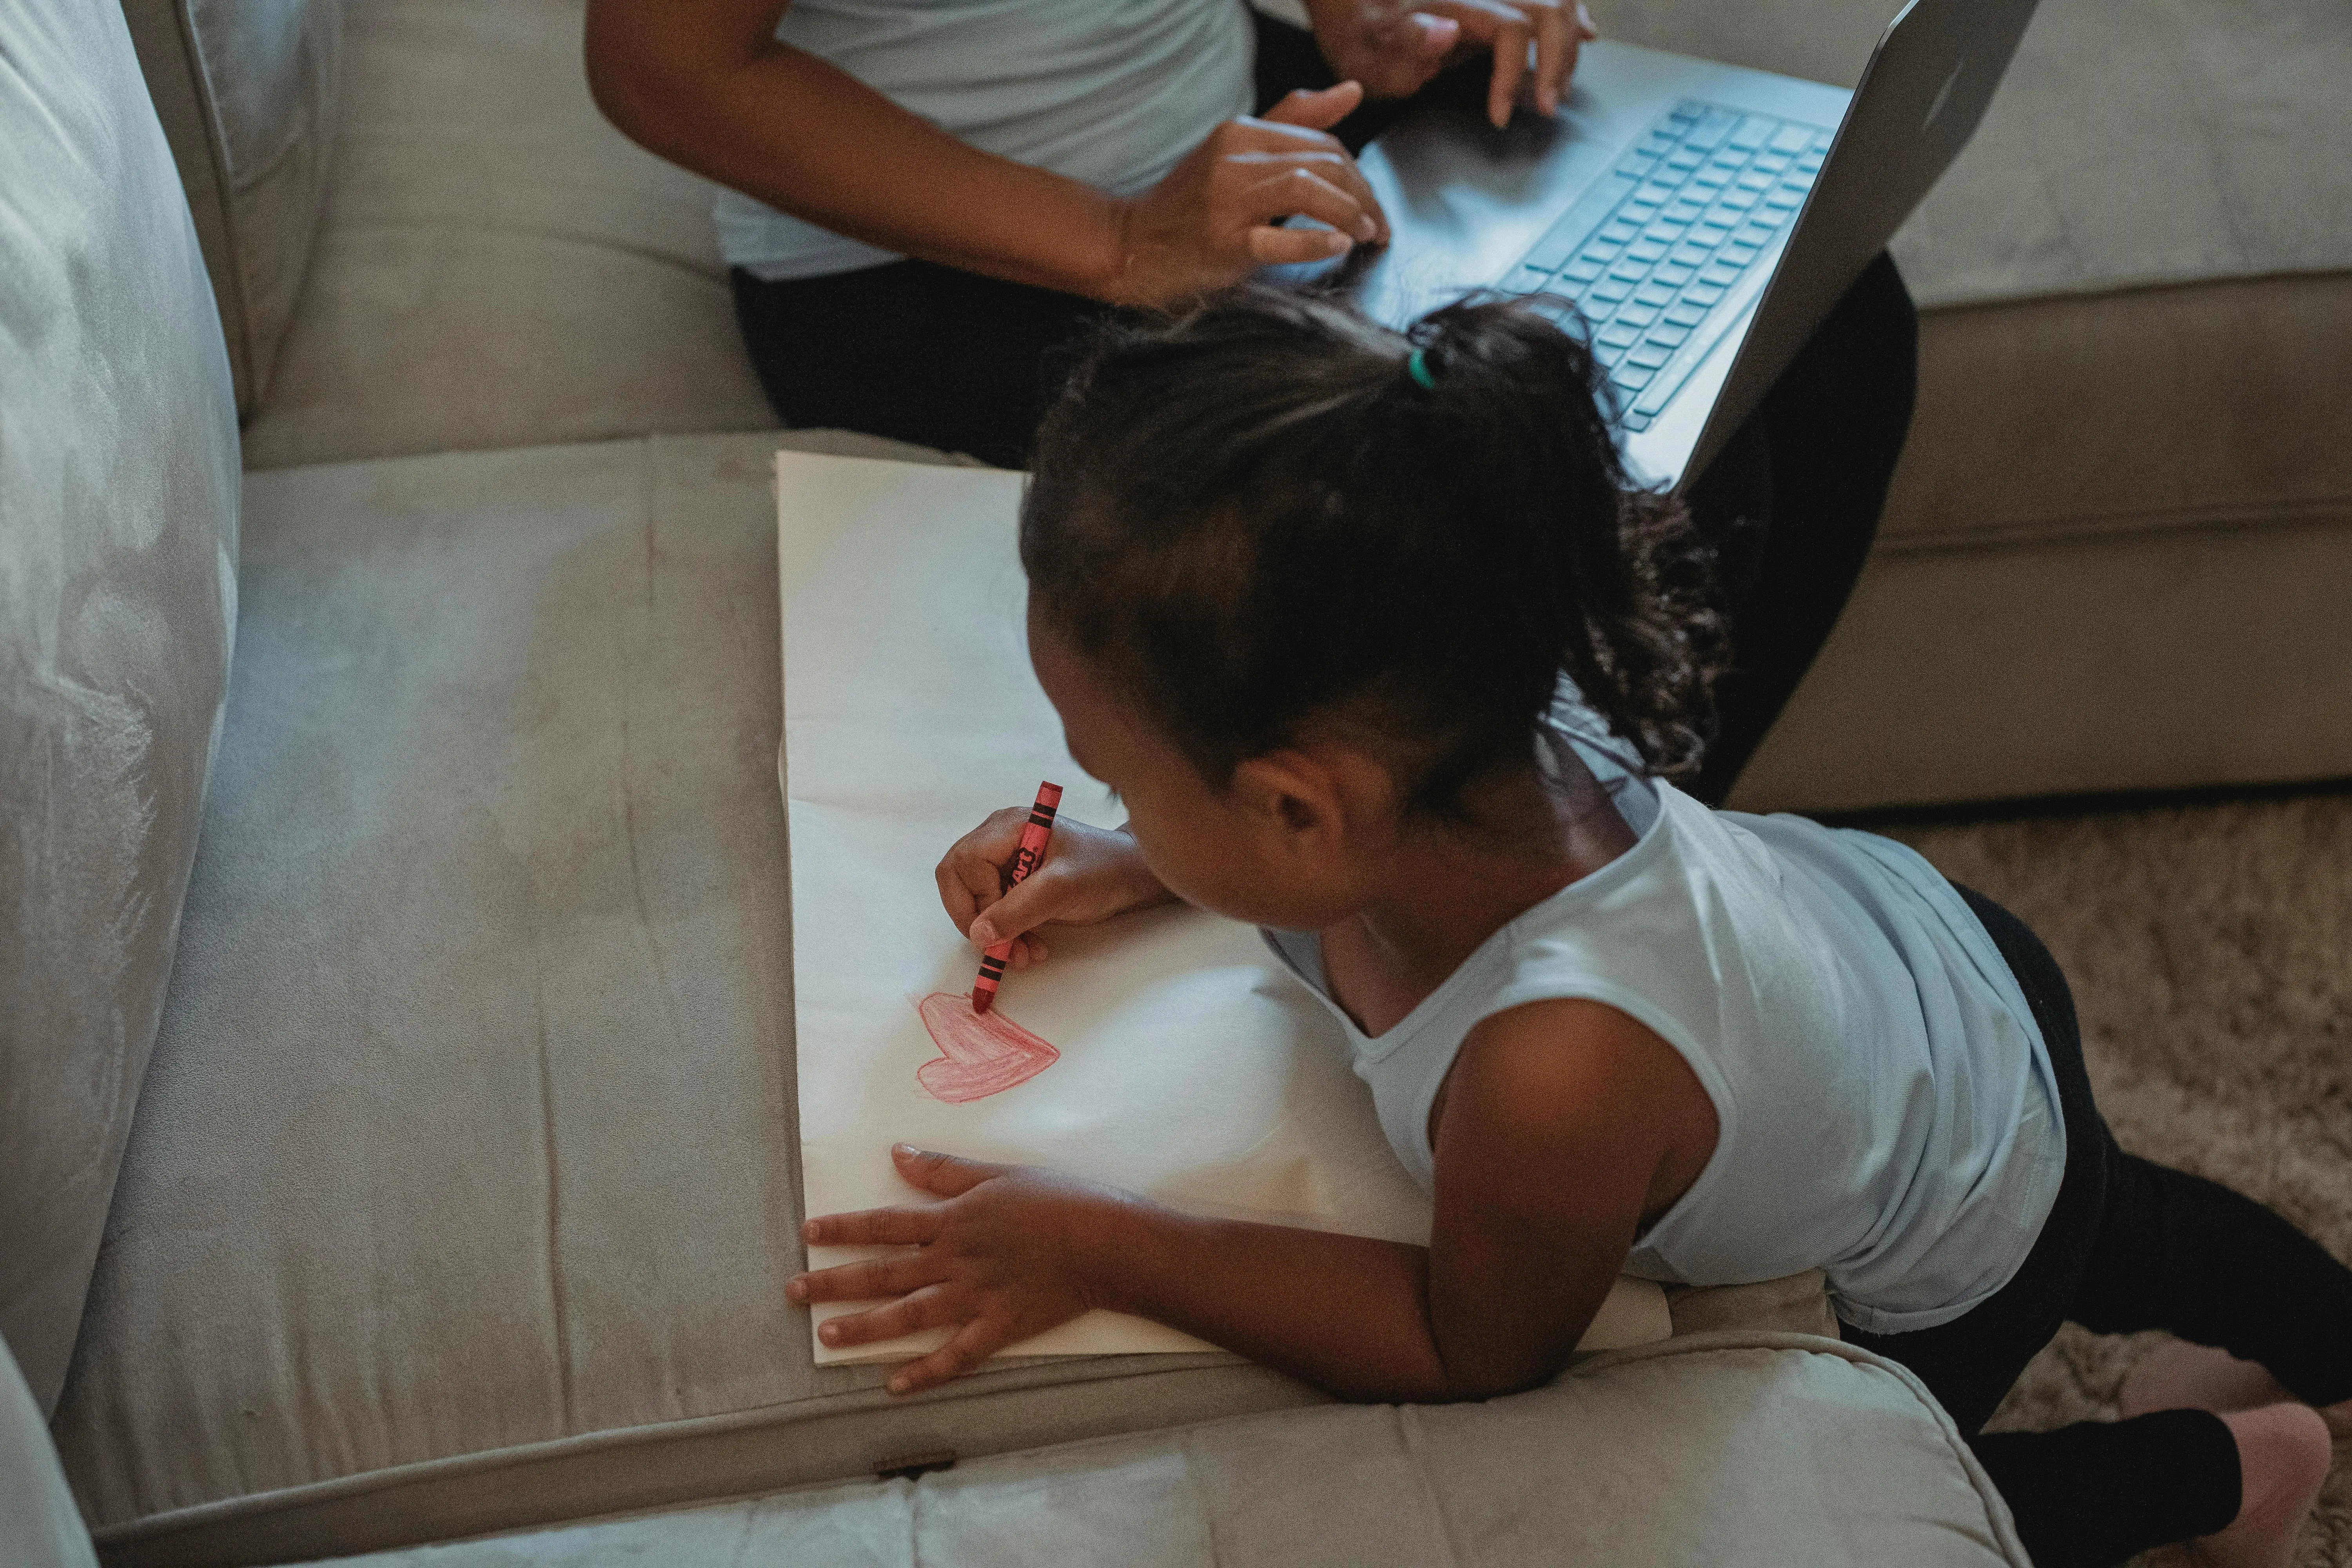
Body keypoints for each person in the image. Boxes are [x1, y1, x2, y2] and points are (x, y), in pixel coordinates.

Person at [784, 291, 2350, 1568]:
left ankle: (2222, 1467)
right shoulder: (1460, 723)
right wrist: (1146, 856)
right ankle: (2322, 1325)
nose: (1091, 796)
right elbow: (1314, 856)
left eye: (1119, 768)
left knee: (1877, 1511)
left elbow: (1474, 1340)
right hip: (1939, 959)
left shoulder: (1556, 1065)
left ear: (1304, 805)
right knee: (2128, 1207)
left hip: (1949, 1210)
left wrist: (1095, 1239)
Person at [585, 0, 1916, 801]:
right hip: (938, 264)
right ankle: (1559, 968)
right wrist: (1122, 247)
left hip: (1225, 132)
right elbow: (661, 67)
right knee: (1579, 471)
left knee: (1836, 319)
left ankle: (1649, 882)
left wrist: (1368, 14)